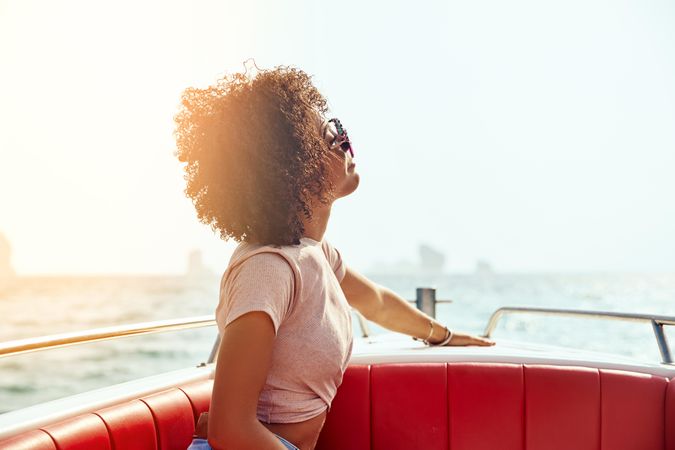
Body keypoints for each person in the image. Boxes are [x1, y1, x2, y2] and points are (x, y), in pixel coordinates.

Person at [173, 65, 495, 450]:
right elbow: (230, 428)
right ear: (295, 167)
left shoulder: (313, 252)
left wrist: (444, 335)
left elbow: (375, 302)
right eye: (332, 134)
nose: (345, 141)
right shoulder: (268, 269)